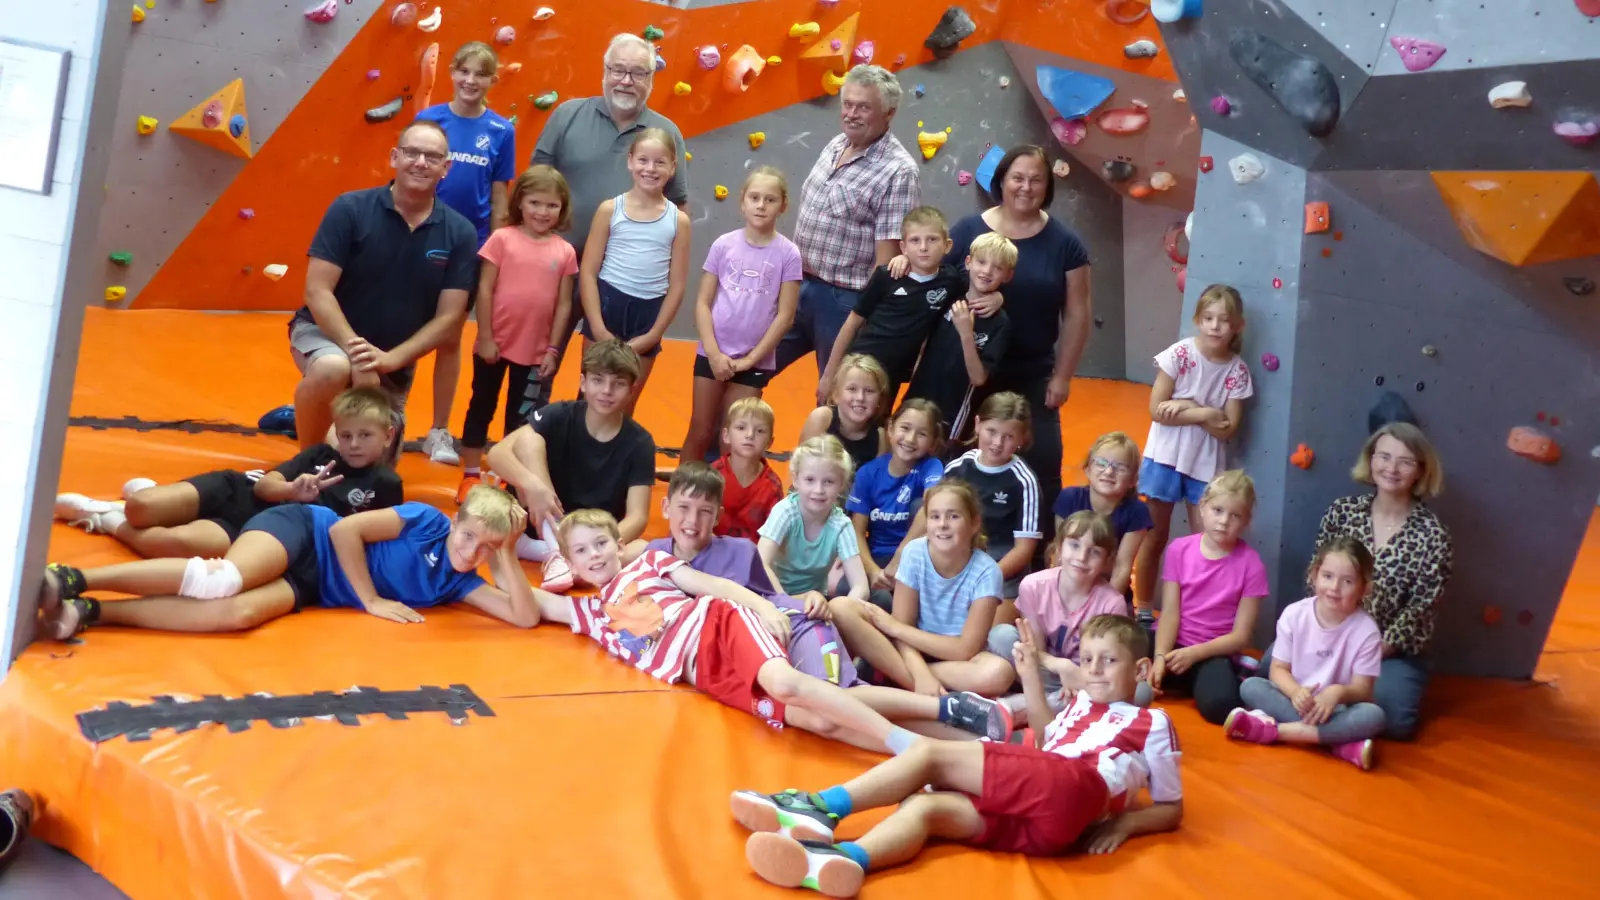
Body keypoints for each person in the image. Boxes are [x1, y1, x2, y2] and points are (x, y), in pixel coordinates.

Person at [728, 615, 1181, 899]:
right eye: (1088, 660)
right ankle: (841, 859)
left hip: (1080, 789)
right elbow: (1045, 748)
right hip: (1052, 827)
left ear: (1140, 670)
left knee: (929, 755)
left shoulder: (1152, 722)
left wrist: (1125, 823)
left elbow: (1170, 806)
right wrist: (1029, 676)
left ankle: (819, 807)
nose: (1094, 671)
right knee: (927, 807)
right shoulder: (1079, 704)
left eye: (1109, 661)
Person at [540, 509, 984, 754]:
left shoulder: (650, 564)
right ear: (570, 564)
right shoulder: (592, 614)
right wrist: (493, 548)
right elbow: (534, 607)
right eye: (581, 551)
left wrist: (759, 607)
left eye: (600, 543)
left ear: (619, 544)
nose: (594, 555)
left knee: (789, 683)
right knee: (818, 720)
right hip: (711, 678)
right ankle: (956, 747)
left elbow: (714, 586)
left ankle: (916, 734)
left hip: (719, 626)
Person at [621, 463, 1011, 740]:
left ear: (719, 516)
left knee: (838, 699)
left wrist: (811, 597)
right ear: (665, 509)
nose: (693, 521)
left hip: (796, 629)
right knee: (828, 715)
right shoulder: (651, 556)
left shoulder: (740, 550)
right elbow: (611, 569)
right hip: (760, 661)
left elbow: (775, 598)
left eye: (706, 512)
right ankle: (972, 739)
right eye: (685, 509)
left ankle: (953, 716)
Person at [36, 486, 539, 640]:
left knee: (233, 615)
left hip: (312, 585)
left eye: (485, 549)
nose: (471, 551)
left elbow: (521, 616)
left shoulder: (458, 582)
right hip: (305, 531)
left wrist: (508, 554)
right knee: (225, 580)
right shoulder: (427, 520)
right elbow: (345, 529)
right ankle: (75, 577)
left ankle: (93, 612)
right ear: (456, 521)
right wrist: (370, 599)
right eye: (469, 536)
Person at [288, 120, 478, 453]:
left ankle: (327, 422)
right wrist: (359, 356)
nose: (420, 162)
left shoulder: (460, 232)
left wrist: (390, 361)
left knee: (373, 466)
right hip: (328, 337)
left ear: (446, 167)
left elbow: (449, 318)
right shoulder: (349, 209)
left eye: (432, 157)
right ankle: (308, 458)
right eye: (412, 152)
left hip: (391, 361)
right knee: (334, 368)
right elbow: (317, 291)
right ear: (394, 157)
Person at [939, 145, 1093, 553]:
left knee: (1042, 462)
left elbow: (1077, 314)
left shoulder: (1066, 243)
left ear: (1048, 187)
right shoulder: (969, 230)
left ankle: (1041, 564)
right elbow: (940, 285)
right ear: (1001, 181)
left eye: (1036, 179)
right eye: (1017, 178)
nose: (1026, 187)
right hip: (966, 371)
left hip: (1031, 373)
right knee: (951, 460)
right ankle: (947, 553)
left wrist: (1062, 376)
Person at [531, 33, 690, 408]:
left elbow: (679, 205)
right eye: (618, 69)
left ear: (652, 79)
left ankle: (584, 442)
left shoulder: (667, 134)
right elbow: (533, 183)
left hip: (621, 282)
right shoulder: (568, 114)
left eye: (638, 72)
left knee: (607, 380)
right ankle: (529, 434)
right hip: (558, 267)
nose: (626, 80)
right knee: (539, 360)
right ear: (604, 72)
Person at [54, 388, 402, 559]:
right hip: (239, 492)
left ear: (387, 436)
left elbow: (374, 539)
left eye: (365, 436)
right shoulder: (321, 455)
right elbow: (267, 485)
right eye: (346, 435)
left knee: (172, 544)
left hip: (252, 528)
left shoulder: (386, 485)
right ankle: (146, 499)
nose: (353, 444)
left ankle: (103, 517)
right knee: (140, 507)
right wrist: (293, 490)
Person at [776, 65, 919, 384]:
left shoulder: (899, 171)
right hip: (800, 287)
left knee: (837, 395)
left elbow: (887, 266)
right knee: (752, 368)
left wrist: (862, 319)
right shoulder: (836, 143)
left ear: (889, 113)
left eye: (864, 107)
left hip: (844, 302)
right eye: (848, 104)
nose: (851, 114)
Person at [415, 41, 518, 466]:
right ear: (453, 73)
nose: (471, 81)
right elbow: (411, 180)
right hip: (422, 239)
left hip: (470, 247)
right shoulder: (430, 119)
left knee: (449, 337)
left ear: (493, 81)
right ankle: (385, 416)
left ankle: (438, 430)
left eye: (481, 74)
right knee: (399, 327)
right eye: (464, 71)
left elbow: (499, 197)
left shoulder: (500, 131)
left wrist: (497, 252)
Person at [1314, 421, 1451, 740]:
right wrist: (1329, 641)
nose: (1392, 468)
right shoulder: (1342, 512)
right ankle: (1341, 727)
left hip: (1389, 651)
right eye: (1384, 456)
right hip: (1329, 634)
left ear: (1420, 470)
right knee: (1269, 671)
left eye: (1405, 461)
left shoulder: (1433, 535)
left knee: (1396, 721)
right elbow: (1317, 577)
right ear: (1370, 459)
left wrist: (1365, 652)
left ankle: (1326, 717)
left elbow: (1420, 612)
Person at [486, 339, 655, 591]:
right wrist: (534, 487)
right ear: (583, 383)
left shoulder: (640, 442)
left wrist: (594, 548)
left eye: (618, 384)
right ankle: (557, 552)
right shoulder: (561, 414)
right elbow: (498, 454)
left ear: (631, 390)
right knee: (528, 441)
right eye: (598, 380)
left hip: (591, 538)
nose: (607, 391)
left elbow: (638, 517)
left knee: (641, 549)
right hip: (543, 524)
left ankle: (563, 558)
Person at [456, 166, 578, 502]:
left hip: (536, 351)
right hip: (495, 343)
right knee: (481, 404)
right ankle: (469, 473)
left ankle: (509, 479)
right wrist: (485, 336)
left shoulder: (564, 251)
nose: (542, 211)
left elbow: (564, 305)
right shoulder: (502, 239)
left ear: (562, 208)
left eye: (551, 205)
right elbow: (485, 289)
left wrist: (553, 349)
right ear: (520, 202)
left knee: (522, 417)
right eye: (535, 202)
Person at [1132, 284, 1252, 622]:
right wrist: (1203, 412)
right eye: (1209, 318)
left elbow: (1229, 427)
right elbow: (1157, 410)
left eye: (1224, 320)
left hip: (1206, 467)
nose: (1215, 326)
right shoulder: (1180, 354)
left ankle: (1195, 611)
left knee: (1206, 543)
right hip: (1165, 458)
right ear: (1198, 319)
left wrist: (1186, 408)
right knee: (1154, 536)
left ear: (1237, 326)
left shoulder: (1237, 371)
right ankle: (1142, 605)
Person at [828, 482, 1015, 697]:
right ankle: (930, 693)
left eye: (953, 516)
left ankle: (891, 677)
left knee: (998, 673)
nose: (942, 524)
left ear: (974, 524)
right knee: (841, 607)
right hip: (911, 652)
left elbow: (965, 649)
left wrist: (895, 629)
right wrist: (920, 674)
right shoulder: (915, 553)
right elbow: (901, 626)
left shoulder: (987, 572)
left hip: (956, 662)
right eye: (934, 517)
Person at [1226, 536, 1385, 771]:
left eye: (1347, 581)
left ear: (1364, 587)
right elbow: (1278, 670)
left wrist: (1336, 693)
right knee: (1250, 687)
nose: (1334, 588)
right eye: (1327, 576)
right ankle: (1338, 744)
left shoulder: (1367, 631)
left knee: (1374, 715)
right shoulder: (1294, 615)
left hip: (1336, 710)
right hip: (1296, 702)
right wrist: (1295, 692)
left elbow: (1363, 690)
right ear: (1314, 575)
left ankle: (1275, 731)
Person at [681, 167, 802, 463]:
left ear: (783, 205)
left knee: (734, 436)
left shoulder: (788, 254)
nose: (761, 205)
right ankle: (682, 493)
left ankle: (728, 503)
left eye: (770, 200)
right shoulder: (724, 245)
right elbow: (703, 302)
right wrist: (713, 352)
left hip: (754, 359)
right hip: (714, 353)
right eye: (755, 197)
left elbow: (784, 317)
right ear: (742, 202)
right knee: (701, 429)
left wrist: (750, 359)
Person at [818, 207, 993, 402]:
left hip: (893, 374)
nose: (923, 247)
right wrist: (828, 375)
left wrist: (996, 298)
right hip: (860, 363)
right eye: (915, 240)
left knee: (878, 426)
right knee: (838, 421)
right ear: (903, 247)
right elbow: (852, 323)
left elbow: (977, 287)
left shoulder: (950, 280)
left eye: (932, 239)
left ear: (948, 245)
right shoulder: (887, 276)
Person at [578, 127, 692, 409]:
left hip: (648, 314)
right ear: (630, 161)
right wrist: (597, 326)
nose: (650, 169)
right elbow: (589, 272)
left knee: (625, 402)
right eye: (643, 160)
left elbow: (677, 285)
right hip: (606, 307)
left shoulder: (679, 221)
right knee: (590, 400)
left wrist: (654, 334)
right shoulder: (609, 209)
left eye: (659, 162)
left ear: (673, 166)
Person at [988, 511, 1132, 722]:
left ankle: (1015, 707)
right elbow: (1035, 651)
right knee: (1001, 635)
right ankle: (1043, 705)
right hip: (1043, 669)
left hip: (1083, 679)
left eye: (1094, 552)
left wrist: (1076, 675)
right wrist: (1060, 665)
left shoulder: (1112, 603)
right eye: (1074, 545)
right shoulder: (1033, 585)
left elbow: (1101, 665)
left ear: (1107, 561)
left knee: (1132, 691)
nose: (1082, 557)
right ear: (1058, 548)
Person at [1149, 470, 1267, 725]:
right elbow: (1170, 612)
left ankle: (1218, 677)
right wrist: (1160, 656)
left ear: (1246, 521)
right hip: (1171, 641)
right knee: (1122, 649)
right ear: (1202, 508)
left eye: (1235, 515)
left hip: (1210, 651)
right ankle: (1174, 677)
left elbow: (1241, 636)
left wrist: (1194, 655)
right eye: (1218, 510)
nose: (1224, 521)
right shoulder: (1179, 549)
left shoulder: (1251, 564)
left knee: (1221, 707)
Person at [902, 232, 1015, 442]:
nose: (987, 271)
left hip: (953, 410)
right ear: (969, 262)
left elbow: (979, 378)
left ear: (1008, 275)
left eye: (997, 267)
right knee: (904, 445)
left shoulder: (1000, 322)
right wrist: (903, 258)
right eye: (981, 262)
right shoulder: (949, 296)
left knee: (941, 461)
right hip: (918, 394)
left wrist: (966, 333)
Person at [940, 392, 1042, 601]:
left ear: (1022, 438)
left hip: (1001, 564)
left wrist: (985, 577)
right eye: (991, 431)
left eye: (1008, 436)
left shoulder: (1024, 481)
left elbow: (1023, 549)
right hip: (957, 551)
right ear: (977, 425)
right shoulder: (958, 468)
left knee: (993, 631)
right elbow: (935, 518)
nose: (997, 442)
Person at [844, 400, 944, 610]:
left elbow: (931, 509)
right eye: (905, 428)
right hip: (878, 558)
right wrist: (872, 571)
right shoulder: (868, 473)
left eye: (922, 434)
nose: (910, 439)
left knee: (926, 504)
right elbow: (857, 532)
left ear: (933, 442)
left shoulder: (931, 467)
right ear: (890, 428)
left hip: (918, 557)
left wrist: (900, 557)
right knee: (854, 591)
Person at [757, 436, 870, 608]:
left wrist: (836, 611)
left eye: (828, 482)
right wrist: (785, 602)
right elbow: (761, 563)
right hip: (771, 597)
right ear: (796, 480)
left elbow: (861, 586)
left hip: (814, 604)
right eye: (810, 480)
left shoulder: (841, 525)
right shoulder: (786, 512)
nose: (818, 490)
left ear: (841, 484)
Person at [1051, 432, 1151, 597]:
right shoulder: (1069, 498)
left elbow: (1122, 566)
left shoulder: (1137, 511)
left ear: (1133, 479)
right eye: (1101, 463)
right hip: (1067, 583)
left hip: (1108, 588)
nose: (1109, 471)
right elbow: (1059, 552)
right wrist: (1059, 596)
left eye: (1120, 467)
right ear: (1088, 470)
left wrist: (1105, 610)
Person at [798, 353, 889, 475]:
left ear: (879, 399)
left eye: (869, 391)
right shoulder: (822, 419)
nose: (860, 397)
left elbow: (875, 484)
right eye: (852, 389)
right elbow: (801, 467)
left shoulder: (881, 438)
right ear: (836, 394)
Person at [711, 397, 785, 542]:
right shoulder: (712, 475)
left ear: (769, 442)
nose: (750, 435)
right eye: (741, 427)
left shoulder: (772, 486)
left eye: (760, 431)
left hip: (753, 557)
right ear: (726, 436)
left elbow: (775, 536)